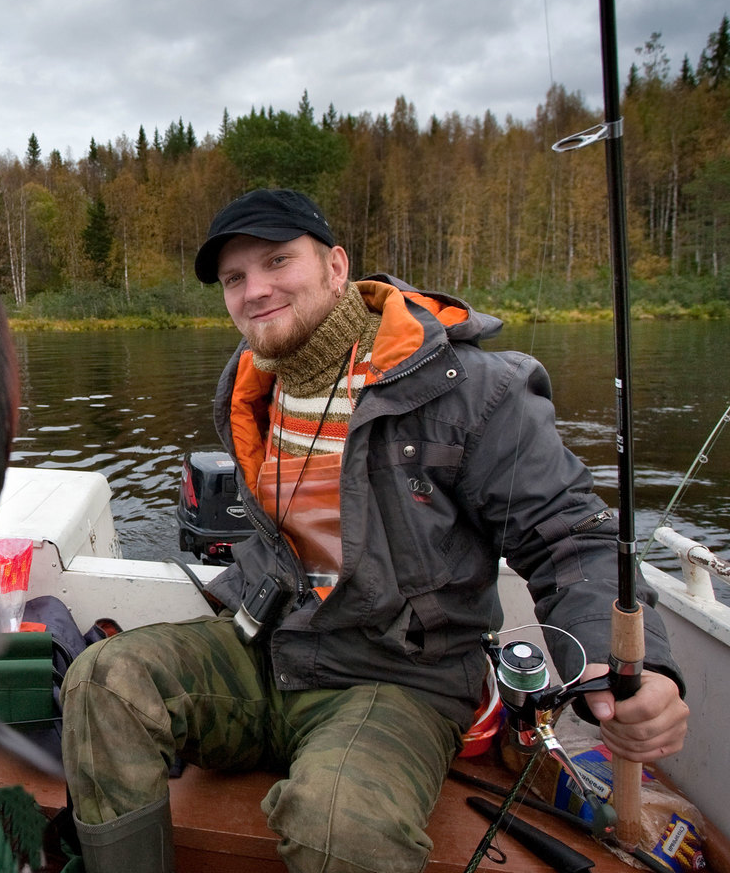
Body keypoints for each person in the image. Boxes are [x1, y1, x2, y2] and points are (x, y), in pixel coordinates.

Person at [60, 189, 690, 873]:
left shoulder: (471, 389)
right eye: (235, 279)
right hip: (266, 647)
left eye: (277, 261)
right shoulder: (249, 380)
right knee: (103, 678)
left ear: (336, 266)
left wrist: (626, 663)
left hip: (398, 677)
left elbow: (573, 536)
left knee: (341, 826)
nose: (255, 290)